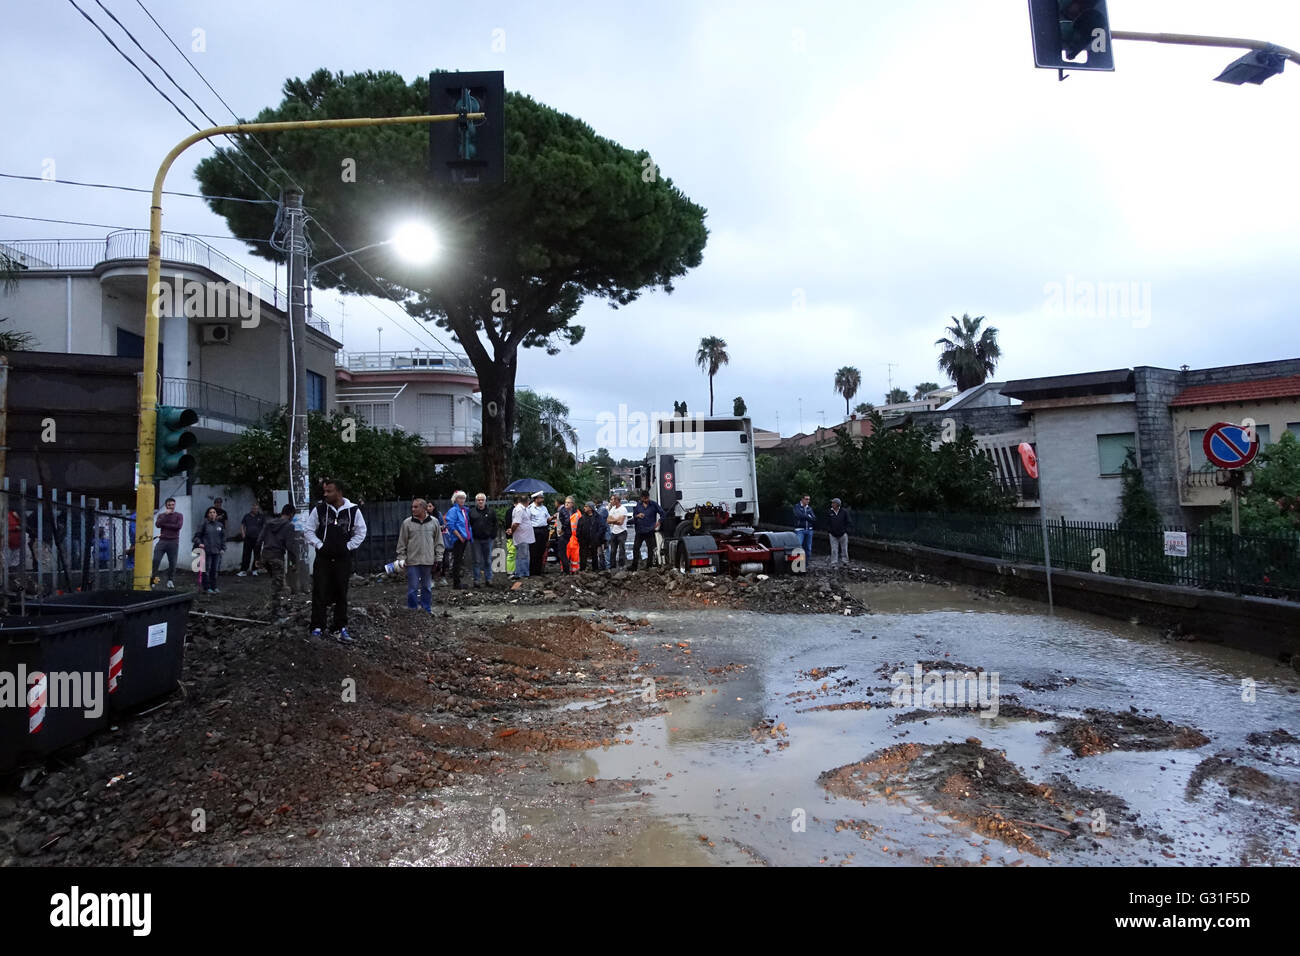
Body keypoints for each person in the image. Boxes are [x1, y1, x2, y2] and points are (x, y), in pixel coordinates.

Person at [304, 478, 368, 644]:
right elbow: (308, 530)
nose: (325, 494)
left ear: (339, 492)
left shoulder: (353, 510)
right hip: (323, 558)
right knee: (319, 591)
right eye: (324, 491)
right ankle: (317, 626)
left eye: (329, 491)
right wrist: (319, 545)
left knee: (341, 592)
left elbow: (361, 531)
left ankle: (339, 627)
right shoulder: (319, 509)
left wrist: (348, 547)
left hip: (342, 559)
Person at [396, 498, 443, 613]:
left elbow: (438, 542)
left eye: (416, 507)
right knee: (413, 588)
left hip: (428, 561)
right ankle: (412, 610)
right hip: (412, 561)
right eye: (412, 507)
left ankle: (426, 610)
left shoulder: (434, 522)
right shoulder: (407, 523)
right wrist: (401, 558)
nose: (413, 509)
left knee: (427, 588)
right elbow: (402, 542)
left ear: (424, 508)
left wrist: (439, 558)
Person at [258, 504, 296, 618]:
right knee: (278, 587)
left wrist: (257, 558)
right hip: (277, 557)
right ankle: (276, 613)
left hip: (265, 556)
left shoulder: (269, 523)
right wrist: (293, 562)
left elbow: (259, 541)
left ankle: (282, 606)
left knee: (280, 583)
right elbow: (290, 546)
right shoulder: (289, 526)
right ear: (291, 514)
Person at [151, 497, 184, 589]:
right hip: (162, 541)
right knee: (156, 560)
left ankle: (170, 580)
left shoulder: (179, 515)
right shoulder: (162, 515)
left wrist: (165, 525)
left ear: (175, 505)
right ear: (166, 506)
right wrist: (165, 516)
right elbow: (157, 525)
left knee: (172, 562)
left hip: (173, 541)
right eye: (169, 505)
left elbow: (178, 526)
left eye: (173, 505)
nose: (171, 507)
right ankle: (154, 580)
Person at [192, 507, 226, 593]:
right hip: (206, 551)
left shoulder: (220, 525)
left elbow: (223, 538)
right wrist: (199, 543)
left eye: (214, 512)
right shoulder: (204, 524)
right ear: (208, 515)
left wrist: (223, 548)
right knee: (207, 570)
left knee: (215, 570)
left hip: (217, 551)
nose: (212, 514)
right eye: (210, 512)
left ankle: (214, 587)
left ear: (216, 514)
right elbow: (196, 537)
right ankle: (207, 588)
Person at [629, 490, 664, 571]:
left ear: (648, 497)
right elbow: (634, 516)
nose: (645, 500)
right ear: (641, 498)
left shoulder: (653, 504)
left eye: (647, 498)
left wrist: (659, 522)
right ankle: (634, 566)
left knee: (650, 549)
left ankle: (649, 566)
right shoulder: (638, 505)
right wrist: (637, 515)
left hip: (649, 530)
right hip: (639, 531)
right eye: (644, 499)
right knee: (636, 548)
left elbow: (663, 513)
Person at [443, 491, 472, 589]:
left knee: (459, 560)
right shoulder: (453, 510)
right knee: (457, 560)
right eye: (460, 498)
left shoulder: (464, 510)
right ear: (455, 499)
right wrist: (459, 536)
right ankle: (456, 583)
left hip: (464, 538)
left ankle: (458, 582)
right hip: (458, 539)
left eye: (463, 498)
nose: (462, 500)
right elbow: (450, 525)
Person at [468, 492, 498, 587]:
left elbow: (495, 524)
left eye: (482, 500)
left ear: (485, 501)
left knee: (488, 560)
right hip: (476, 540)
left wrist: (493, 535)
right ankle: (476, 580)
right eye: (478, 500)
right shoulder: (471, 512)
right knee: (476, 561)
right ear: (476, 501)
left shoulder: (491, 512)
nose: (480, 501)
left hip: (487, 540)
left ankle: (489, 579)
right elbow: (468, 525)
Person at [236, 502, 266, 577]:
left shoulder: (261, 516)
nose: (255, 509)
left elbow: (264, 527)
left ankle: (255, 570)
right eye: (254, 508)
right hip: (248, 538)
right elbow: (242, 525)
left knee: (257, 555)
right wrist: (243, 533)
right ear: (251, 508)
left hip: (258, 539)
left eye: (256, 508)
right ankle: (243, 571)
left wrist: (262, 536)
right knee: (246, 555)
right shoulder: (247, 516)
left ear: (258, 509)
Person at [508, 494, 533, 579]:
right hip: (521, 536)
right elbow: (516, 523)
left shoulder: (524, 509)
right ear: (527, 502)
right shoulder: (519, 509)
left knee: (524, 555)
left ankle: (523, 572)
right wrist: (512, 531)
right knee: (522, 556)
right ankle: (521, 573)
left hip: (525, 536)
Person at [527, 491, 550, 576]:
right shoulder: (530, 508)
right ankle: (533, 571)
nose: (542, 499)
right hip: (534, 530)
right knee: (534, 551)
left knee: (541, 550)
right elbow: (527, 520)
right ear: (536, 499)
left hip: (543, 530)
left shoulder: (544, 508)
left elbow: (547, 519)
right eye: (541, 498)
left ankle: (539, 571)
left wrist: (553, 517)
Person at [577, 501, 604, 572]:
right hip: (584, 540)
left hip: (594, 540)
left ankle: (595, 569)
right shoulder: (582, 518)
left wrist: (597, 537)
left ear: (590, 508)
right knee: (583, 555)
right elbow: (579, 529)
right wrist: (579, 538)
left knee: (594, 554)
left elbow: (601, 528)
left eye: (586, 506)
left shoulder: (597, 517)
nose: (584, 508)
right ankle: (582, 569)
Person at [606, 494, 629, 570]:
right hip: (614, 532)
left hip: (622, 532)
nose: (611, 501)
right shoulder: (612, 509)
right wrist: (616, 520)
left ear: (616, 500)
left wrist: (613, 520)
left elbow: (621, 522)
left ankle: (621, 565)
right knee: (613, 550)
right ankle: (612, 566)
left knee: (621, 550)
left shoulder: (623, 509)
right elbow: (608, 521)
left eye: (612, 500)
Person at [554, 496, 575, 574]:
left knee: (562, 554)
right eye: (566, 502)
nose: (567, 504)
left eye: (568, 502)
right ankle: (566, 570)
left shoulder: (563, 510)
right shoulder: (564, 510)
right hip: (567, 534)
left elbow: (566, 521)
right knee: (563, 553)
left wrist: (562, 530)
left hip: (564, 535)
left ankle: (566, 571)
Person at [827, 497, 850, 569]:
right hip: (833, 534)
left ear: (837, 504)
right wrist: (829, 530)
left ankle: (845, 562)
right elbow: (827, 522)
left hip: (843, 534)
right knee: (834, 549)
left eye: (833, 503)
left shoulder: (844, 512)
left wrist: (845, 530)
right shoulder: (829, 512)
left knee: (844, 549)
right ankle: (834, 563)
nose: (832, 504)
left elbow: (848, 522)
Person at [793, 494, 815, 562]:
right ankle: (798, 564)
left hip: (809, 530)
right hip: (800, 530)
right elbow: (799, 516)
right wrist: (808, 516)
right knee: (798, 547)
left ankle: (806, 565)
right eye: (806, 499)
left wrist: (805, 516)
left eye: (809, 499)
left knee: (808, 548)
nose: (808, 501)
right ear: (802, 499)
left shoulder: (809, 508)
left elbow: (814, 519)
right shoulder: (797, 507)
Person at [566, 504, 581, 573]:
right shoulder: (575, 514)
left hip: (574, 537)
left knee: (574, 555)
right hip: (569, 537)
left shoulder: (577, 515)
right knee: (567, 554)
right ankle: (567, 569)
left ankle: (573, 570)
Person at [596, 498, 610, 570]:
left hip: (604, 534)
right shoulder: (599, 509)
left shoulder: (602, 510)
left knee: (605, 550)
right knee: (601, 551)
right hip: (602, 533)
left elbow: (601, 523)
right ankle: (603, 566)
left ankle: (607, 566)